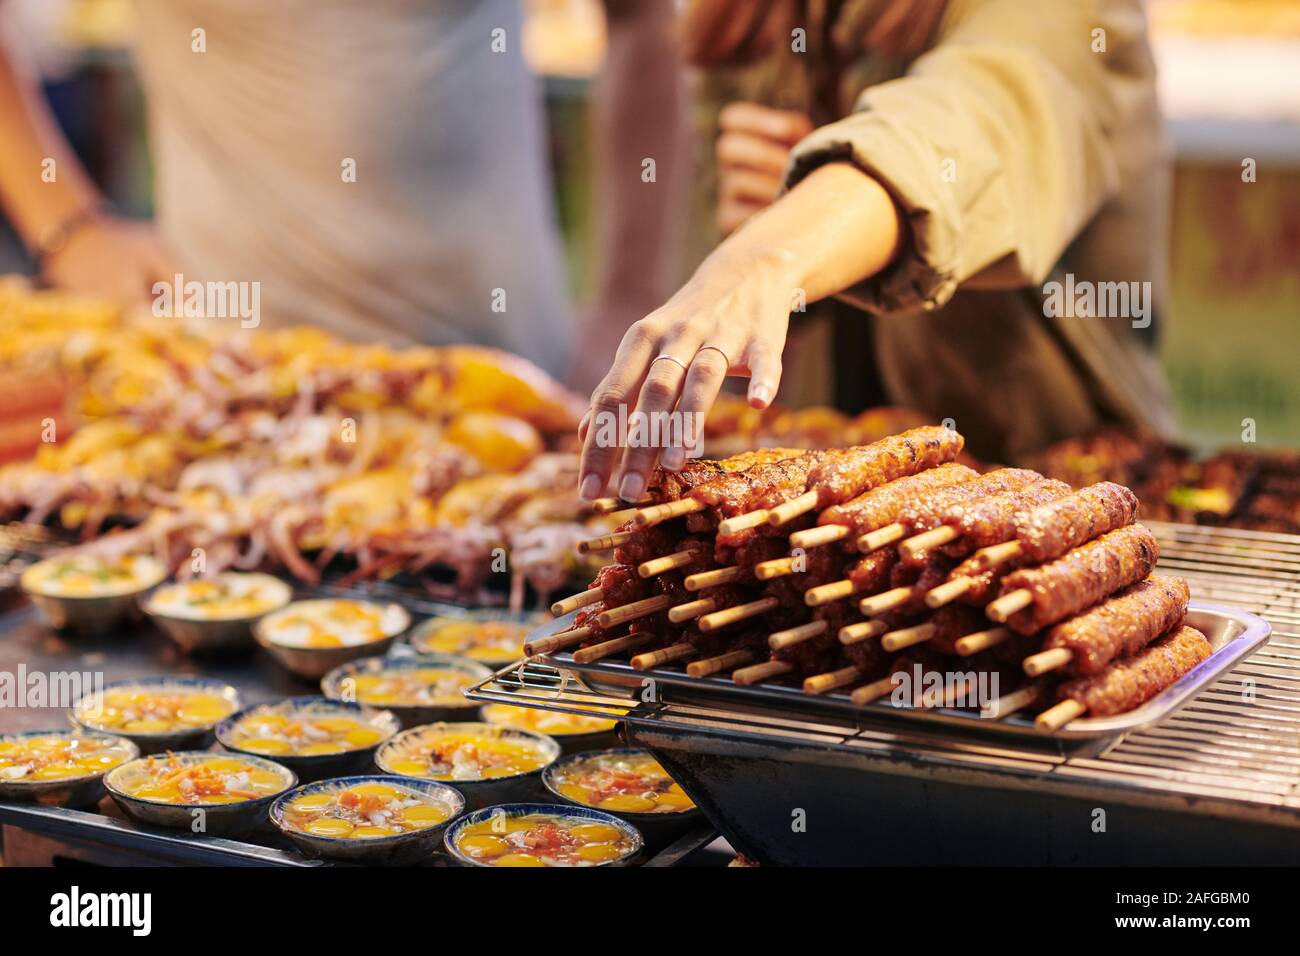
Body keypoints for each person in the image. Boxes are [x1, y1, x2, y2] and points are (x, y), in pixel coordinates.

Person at [577, 0, 1176, 503]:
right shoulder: (755, 16)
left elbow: (963, 130)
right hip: (831, 516)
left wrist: (765, 255)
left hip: (1069, 491)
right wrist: (776, 225)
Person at [0, 0, 687, 381]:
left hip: (505, 382)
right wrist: (68, 225)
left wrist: (629, 299)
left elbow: (642, 17)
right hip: (222, 386)